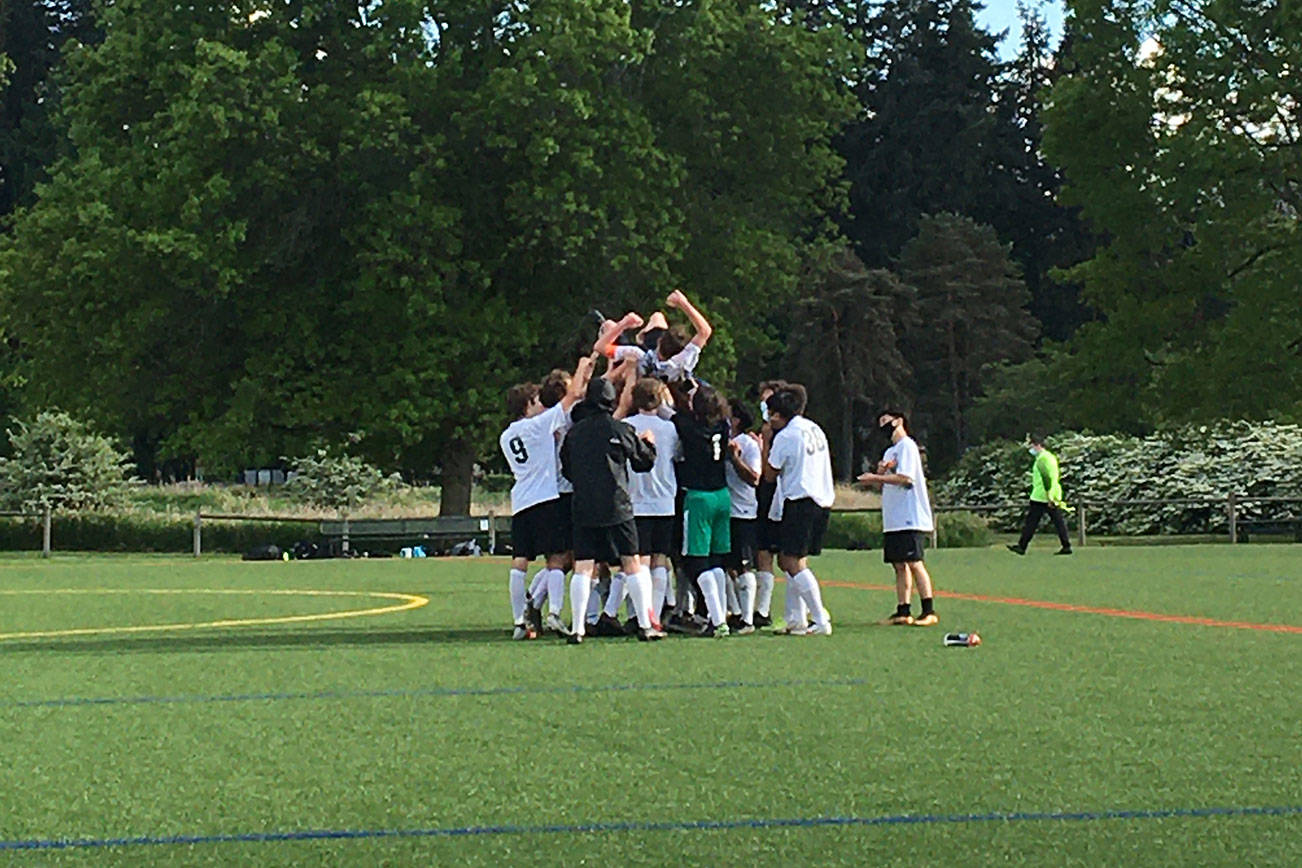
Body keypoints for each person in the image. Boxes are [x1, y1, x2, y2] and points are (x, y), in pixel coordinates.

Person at [560, 377, 662, 644]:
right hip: (618, 505)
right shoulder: (621, 429)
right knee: (631, 562)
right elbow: (643, 462)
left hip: (583, 505)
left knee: (583, 566)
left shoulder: (575, 433)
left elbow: (567, 470)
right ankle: (644, 625)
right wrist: (649, 443)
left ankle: (578, 628)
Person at [499, 356, 594, 640]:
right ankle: (554, 612)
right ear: (528, 405)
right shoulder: (537, 425)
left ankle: (519, 621)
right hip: (545, 498)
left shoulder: (506, 436)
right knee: (556, 557)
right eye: (536, 400)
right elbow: (573, 396)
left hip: (521, 501)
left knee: (519, 562)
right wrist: (584, 365)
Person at [606, 377, 680, 635]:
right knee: (660, 560)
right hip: (664, 501)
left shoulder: (625, 426)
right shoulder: (670, 428)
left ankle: (638, 613)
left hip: (635, 501)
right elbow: (677, 456)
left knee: (638, 562)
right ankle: (654, 615)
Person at [763, 384, 834, 636]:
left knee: (790, 560)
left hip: (801, 500)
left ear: (780, 415)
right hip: (821, 498)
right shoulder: (813, 427)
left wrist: (767, 443)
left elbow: (769, 474)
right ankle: (796, 618)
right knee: (794, 558)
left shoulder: (785, 436)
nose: (769, 419)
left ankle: (819, 618)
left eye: (772, 414)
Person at [857, 410, 938, 626]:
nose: (883, 426)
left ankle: (928, 610)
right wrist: (879, 473)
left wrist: (876, 476)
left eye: (887, 421)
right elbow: (881, 482)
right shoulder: (890, 451)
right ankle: (903, 610)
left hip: (910, 515)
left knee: (914, 562)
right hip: (894, 517)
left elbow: (905, 478)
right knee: (898, 564)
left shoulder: (907, 447)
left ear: (899, 421)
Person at [670, 384, 735, 637]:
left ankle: (717, 621)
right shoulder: (724, 425)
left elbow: (671, 413)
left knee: (695, 561)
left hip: (699, 497)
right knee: (716, 559)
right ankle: (717, 616)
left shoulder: (687, 426)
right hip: (722, 494)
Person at [594, 290, 712, 383]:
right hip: (665, 377)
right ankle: (642, 335)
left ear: (660, 341)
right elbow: (705, 331)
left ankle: (640, 336)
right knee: (657, 317)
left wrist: (624, 323)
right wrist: (684, 303)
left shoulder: (638, 354)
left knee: (609, 325)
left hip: (641, 366)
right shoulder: (683, 361)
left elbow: (600, 347)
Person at [724, 402, 762, 635]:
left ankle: (748, 619)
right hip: (726, 510)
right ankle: (736, 613)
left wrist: (735, 458)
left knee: (744, 565)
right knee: (727, 565)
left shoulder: (748, 444)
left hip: (743, 512)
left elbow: (754, 477)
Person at [1007, 434, 1073, 555]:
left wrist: (1048, 496)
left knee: (1032, 522)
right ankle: (1066, 545)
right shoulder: (1051, 457)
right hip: (1053, 494)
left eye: (1031, 445)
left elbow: (1046, 478)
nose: (1030, 449)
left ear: (1037, 445)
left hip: (1041, 496)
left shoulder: (1042, 459)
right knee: (1058, 522)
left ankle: (1022, 546)